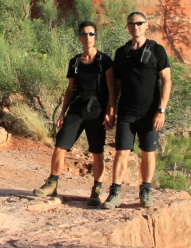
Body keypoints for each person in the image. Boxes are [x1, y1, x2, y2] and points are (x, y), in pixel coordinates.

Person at [33, 21, 116, 205]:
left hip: (97, 110)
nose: (88, 38)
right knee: (60, 146)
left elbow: (111, 89)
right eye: (84, 34)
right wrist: (62, 113)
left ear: (96, 37)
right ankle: (52, 184)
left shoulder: (105, 60)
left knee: (97, 151)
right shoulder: (75, 62)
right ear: (79, 38)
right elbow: (70, 90)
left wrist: (111, 112)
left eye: (91, 34)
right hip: (76, 109)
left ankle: (96, 190)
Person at [101, 12, 171, 209]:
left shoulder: (157, 50)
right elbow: (116, 85)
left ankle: (145, 192)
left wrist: (162, 110)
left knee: (148, 152)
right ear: (127, 27)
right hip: (127, 112)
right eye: (132, 24)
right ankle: (115, 193)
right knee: (121, 153)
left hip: (150, 113)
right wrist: (111, 110)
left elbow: (167, 80)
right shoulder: (121, 52)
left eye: (139, 23)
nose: (136, 27)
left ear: (146, 26)